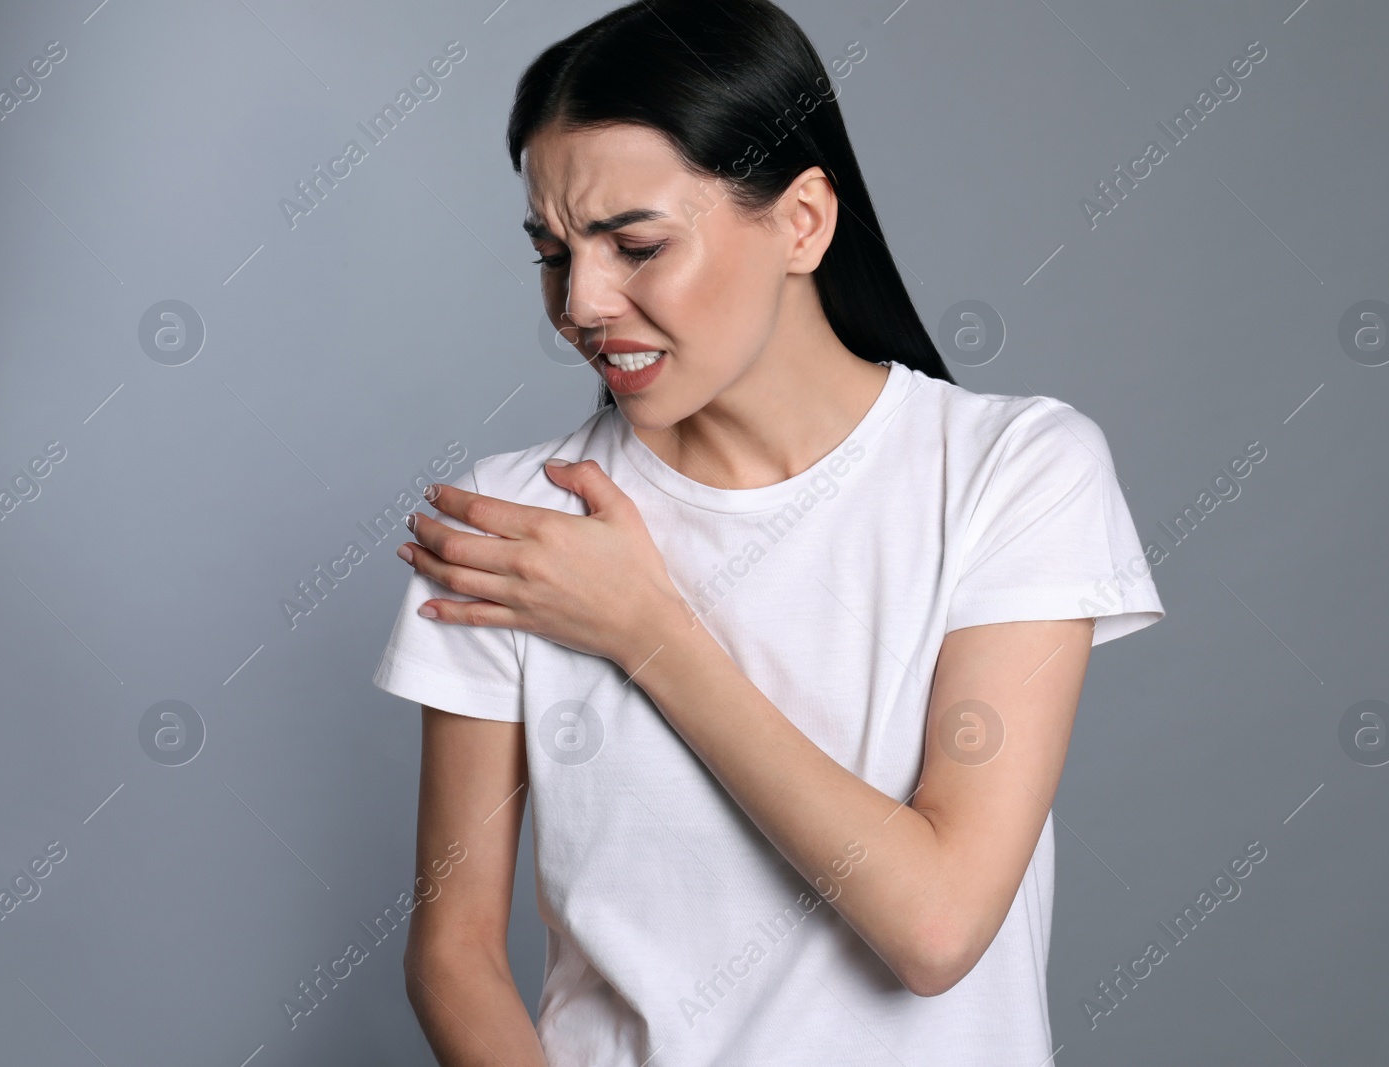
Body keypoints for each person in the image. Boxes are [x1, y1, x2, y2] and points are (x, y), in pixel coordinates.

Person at [372, 1, 1164, 1063]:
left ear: (801, 222)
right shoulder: (517, 524)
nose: (582, 304)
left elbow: (935, 926)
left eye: (636, 244)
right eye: (552, 254)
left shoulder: (1011, 470)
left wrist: (645, 630)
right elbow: (452, 950)